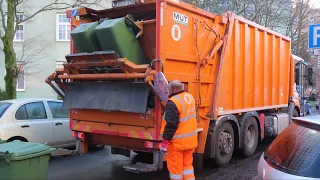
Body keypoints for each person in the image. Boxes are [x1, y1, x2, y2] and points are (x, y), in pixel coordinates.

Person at [160, 80, 198, 180]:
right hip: (189, 141)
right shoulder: (189, 97)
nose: (168, 92)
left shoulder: (173, 102)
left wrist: (164, 143)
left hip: (177, 143)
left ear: (175, 89)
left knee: (175, 170)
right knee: (187, 167)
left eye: (169, 89)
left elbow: (171, 125)